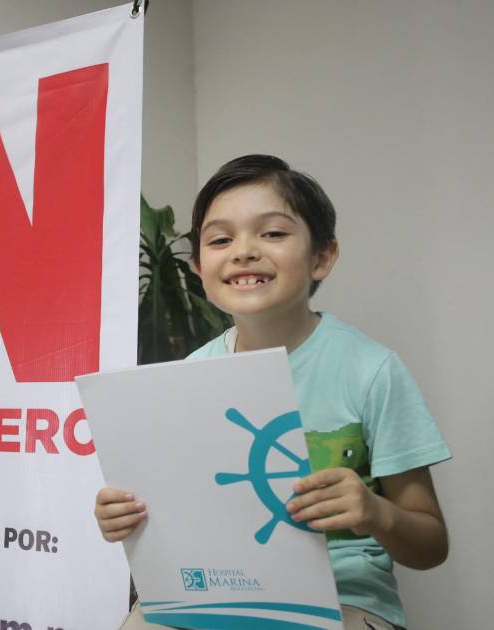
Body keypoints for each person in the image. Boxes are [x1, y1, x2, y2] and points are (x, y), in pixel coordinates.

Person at [94, 155, 451, 629]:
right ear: (198, 267)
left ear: (322, 257)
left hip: (342, 599)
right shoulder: (189, 376)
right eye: (221, 240)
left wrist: (376, 514)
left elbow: (431, 545)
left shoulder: (372, 370)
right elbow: (182, 513)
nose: (243, 251)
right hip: (216, 597)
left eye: (273, 233)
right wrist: (125, 515)